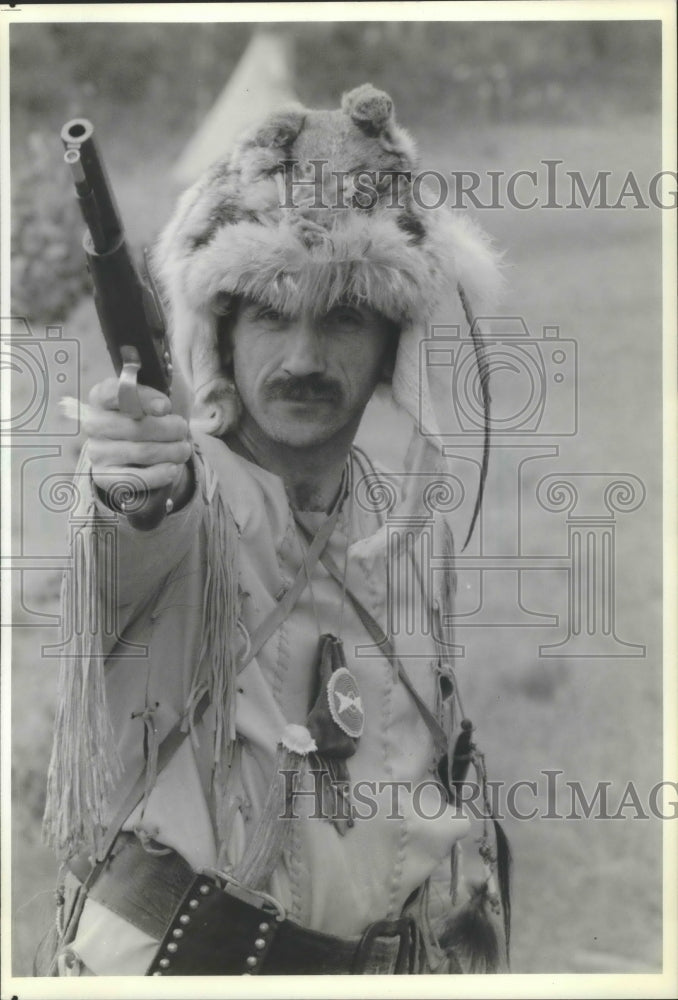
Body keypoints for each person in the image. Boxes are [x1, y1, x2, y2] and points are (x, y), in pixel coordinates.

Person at [39, 84, 509, 977]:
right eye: (269, 314)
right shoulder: (184, 497)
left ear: (392, 349)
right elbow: (135, 527)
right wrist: (132, 480)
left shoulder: (405, 525)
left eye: (342, 318)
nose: (301, 359)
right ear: (220, 332)